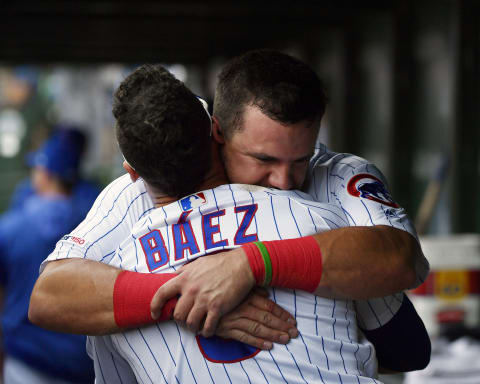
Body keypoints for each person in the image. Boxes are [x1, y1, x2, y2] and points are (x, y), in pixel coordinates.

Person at [30, 50, 428, 344]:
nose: (284, 179)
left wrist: (250, 264)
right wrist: (185, 297)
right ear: (217, 133)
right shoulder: (154, 182)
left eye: (300, 158)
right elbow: (48, 295)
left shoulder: (338, 173)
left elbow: (402, 262)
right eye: (263, 158)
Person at [0, 128, 97, 384]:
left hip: (25, 360)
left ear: (45, 175)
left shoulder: (11, 228)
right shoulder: (94, 225)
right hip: (83, 364)